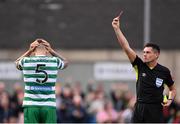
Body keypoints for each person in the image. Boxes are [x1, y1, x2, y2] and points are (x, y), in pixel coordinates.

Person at [112, 12, 176, 123]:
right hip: (139, 109)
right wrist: (117, 29)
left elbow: (173, 89)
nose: (144, 54)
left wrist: (170, 99)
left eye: (148, 52)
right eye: (144, 52)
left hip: (155, 110)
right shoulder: (140, 65)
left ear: (156, 55)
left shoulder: (164, 71)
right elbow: (126, 47)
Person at [15, 39, 68, 123]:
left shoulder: (26, 61)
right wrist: (52, 51)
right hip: (49, 105)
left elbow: (16, 63)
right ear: (47, 51)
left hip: (31, 105)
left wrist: (29, 51)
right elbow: (66, 62)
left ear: (33, 51)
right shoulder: (54, 61)